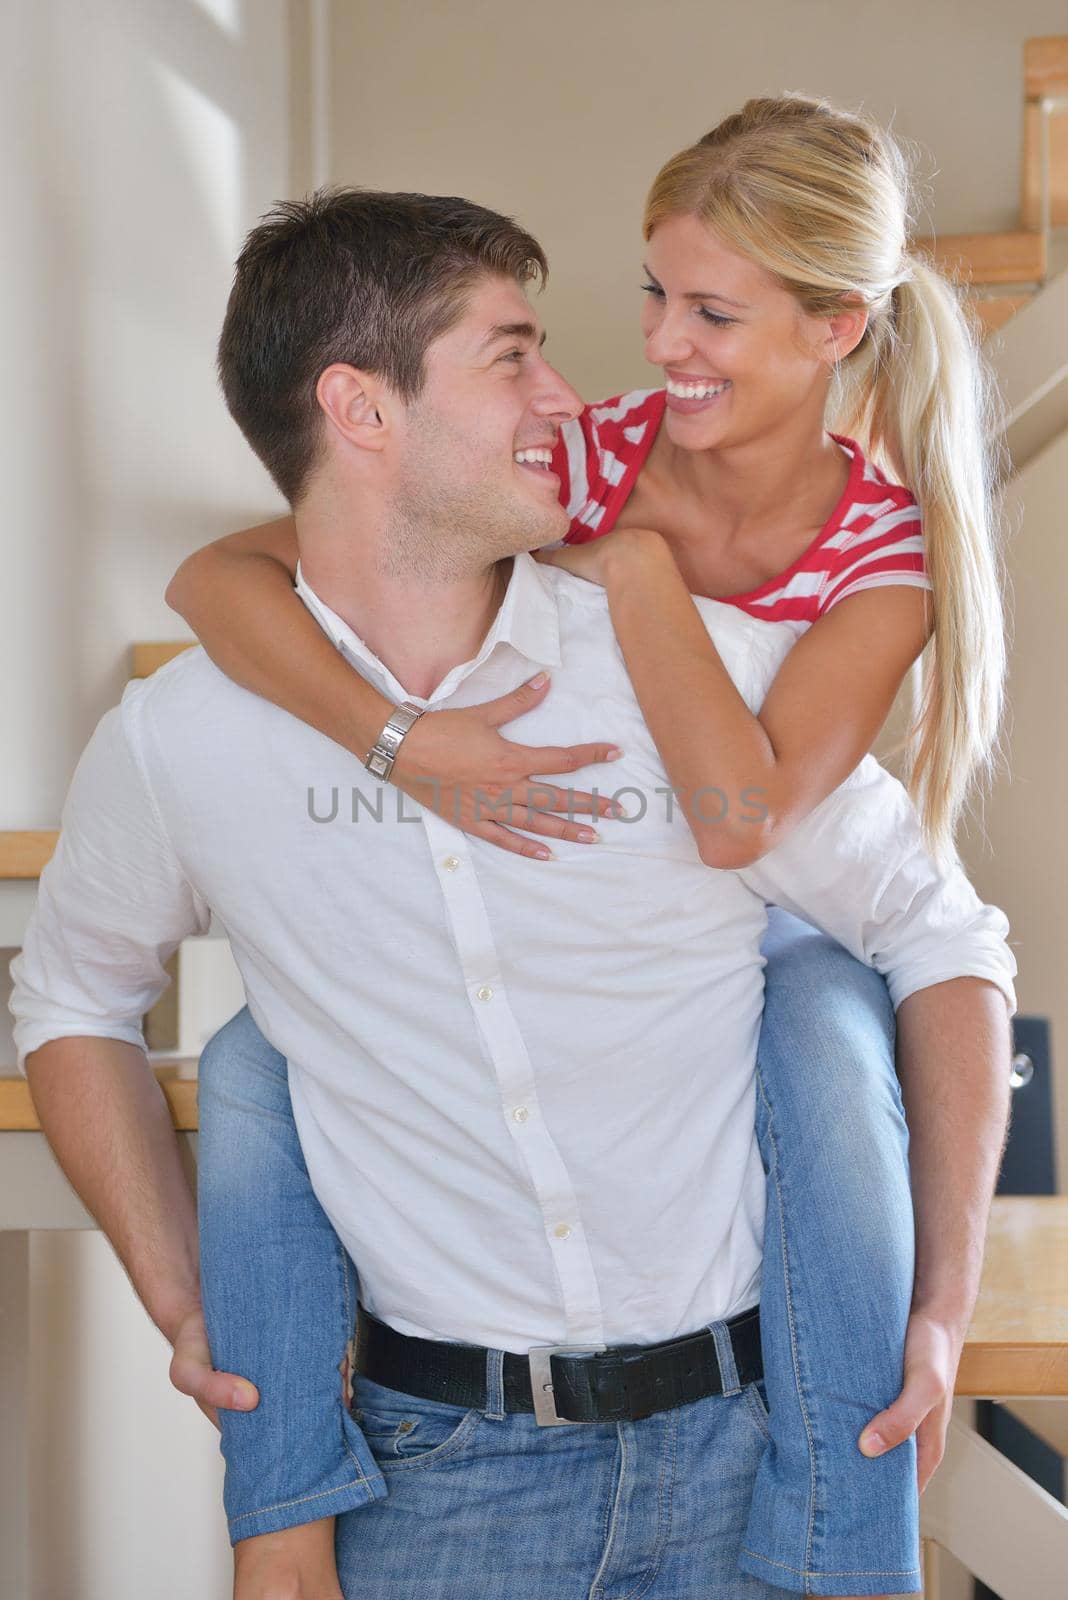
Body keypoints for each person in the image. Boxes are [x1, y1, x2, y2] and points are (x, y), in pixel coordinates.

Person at [11, 181, 1013, 1600]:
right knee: (248, 1067)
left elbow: (940, 938)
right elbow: (70, 996)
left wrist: (939, 1303)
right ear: (361, 411)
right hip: (439, 1488)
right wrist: (180, 1295)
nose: (571, 392)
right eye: (512, 355)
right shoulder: (187, 746)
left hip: (753, 1455)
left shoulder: (699, 679)